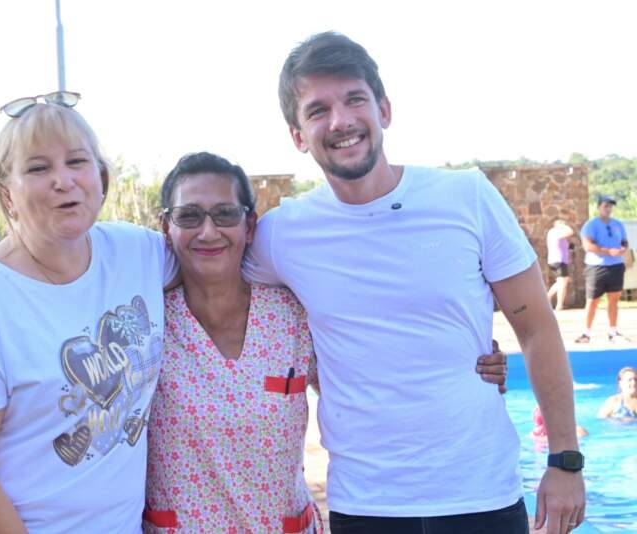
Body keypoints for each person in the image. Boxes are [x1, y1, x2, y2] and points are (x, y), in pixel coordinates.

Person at [244, 32, 585, 534]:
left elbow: (537, 328)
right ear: (297, 135)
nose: (340, 121)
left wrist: (564, 459)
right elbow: (210, 287)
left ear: (383, 109)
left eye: (354, 99)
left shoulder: (466, 197)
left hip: (481, 492)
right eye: (318, 110)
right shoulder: (283, 234)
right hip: (367, 503)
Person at [144, 152, 509, 533]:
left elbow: (373, 372)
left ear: (250, 225)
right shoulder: (146, 324)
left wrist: (463, 359)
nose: (208, 231)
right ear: (166, 226)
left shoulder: (291, 317)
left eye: (225, 214)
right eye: (189, 216)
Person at [0, 94, 176, 533]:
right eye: (39, 168)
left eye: (76, 161)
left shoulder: (139, 253)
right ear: (8, 194)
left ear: (100, 177)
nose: (64, 180)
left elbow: (224, 262)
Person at [575, 195, 630, 343]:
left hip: (616, 266)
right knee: (592, 301)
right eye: (605, 205)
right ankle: (586, 333)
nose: (608, 208)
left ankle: (613, 332)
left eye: (610, 206)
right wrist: (609, 251)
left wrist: (622, 249)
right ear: (599, 207)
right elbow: (588, 246)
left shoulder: (618, 224)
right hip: (596, 267)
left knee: (614, 300)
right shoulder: (591, 225)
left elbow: (624, 242)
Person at [546, 219, 575, 310]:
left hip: (558, 260)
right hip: (558, 260)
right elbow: (571, 232)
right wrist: (563, 226)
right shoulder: (555, 232)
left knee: (562, 281)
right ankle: (559, 304)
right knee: (563, 282)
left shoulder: (554, 233)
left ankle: (548, 297)